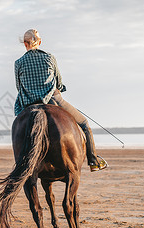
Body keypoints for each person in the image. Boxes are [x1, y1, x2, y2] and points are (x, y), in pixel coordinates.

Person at [14, 29, 108, 172]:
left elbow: (18, 87)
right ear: (39, 42)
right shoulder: (49, 58)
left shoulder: (18, 63)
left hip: (28, 104)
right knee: (84, 124)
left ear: (25, 44)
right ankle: (93, 160)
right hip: (53, 100)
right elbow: (58, 82)